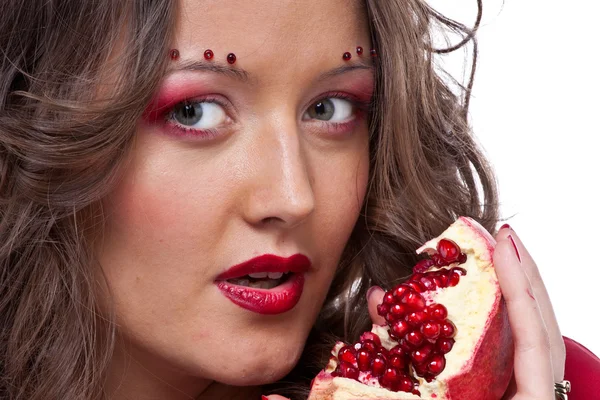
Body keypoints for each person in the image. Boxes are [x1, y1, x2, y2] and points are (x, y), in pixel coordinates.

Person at [0, 0, 598, 399]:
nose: (294, 196)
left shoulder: (549, 383)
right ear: (31, 124)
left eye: (330, 108)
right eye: (194, 111)